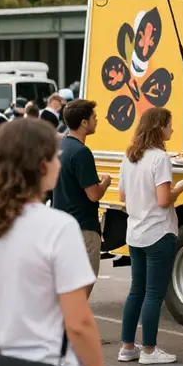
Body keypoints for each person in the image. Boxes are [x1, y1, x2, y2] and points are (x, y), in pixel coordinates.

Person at [0, 119, 113, 366]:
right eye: (56, 157)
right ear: (42, 164)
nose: (61, 164)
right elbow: (78, 323)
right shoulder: (57, 227)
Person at [117, 108, 183, 366]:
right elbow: (163, 200)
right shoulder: (160, 158)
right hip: (159, 232)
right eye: (170, 125)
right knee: (154, 294)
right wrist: (179, 188)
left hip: (135, 232)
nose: (173, 129)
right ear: (159, 128)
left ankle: (127, 346)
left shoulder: (129, 157)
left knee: (137, 289)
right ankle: (149, 349)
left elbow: (123, 198)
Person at [53, 100, 111, 292]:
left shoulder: (61, 147)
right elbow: (93, 194)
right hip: (83, 230)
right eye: (94, 117)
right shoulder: (81, 153)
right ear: (84, 123)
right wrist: (105, 182)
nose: (97, 120)